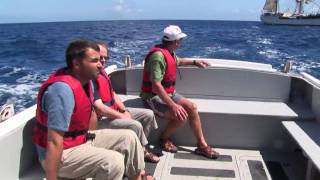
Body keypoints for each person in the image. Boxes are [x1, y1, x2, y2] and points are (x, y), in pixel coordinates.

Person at [32, 40, 153, 180]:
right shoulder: (62, 91)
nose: (101, 64)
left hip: (79, 140)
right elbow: (54, 141)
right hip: (61, 155)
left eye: (101, 60)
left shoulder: (86, 82)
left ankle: (137, 177)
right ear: (76, 64)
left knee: (129, 138)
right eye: (95, 60)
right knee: (113, 162)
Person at [140, 25, 219, 159]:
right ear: (176, 41)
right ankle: (164, 139)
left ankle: (202, 145)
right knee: (180, 115)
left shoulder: (168, 52)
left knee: (192, 107)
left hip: (169, 93)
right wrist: (173, 105)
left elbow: (178, 61)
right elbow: (156, 87)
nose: (181, 42)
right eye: (180, 40)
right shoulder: (158, 57)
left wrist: (194, 62)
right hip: (152, 97)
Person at [92, 41, 160, 163]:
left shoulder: (102, 72)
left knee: (148, 115)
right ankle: (140, 154)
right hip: (101, 120)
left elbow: (112, 93)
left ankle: (137, 149)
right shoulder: (89, 78)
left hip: (114, 112)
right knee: (135, 125)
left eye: (105, 57)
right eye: (99, 57)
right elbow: (100, 109)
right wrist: (123, 116)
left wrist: (124, 110)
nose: (102, 60)